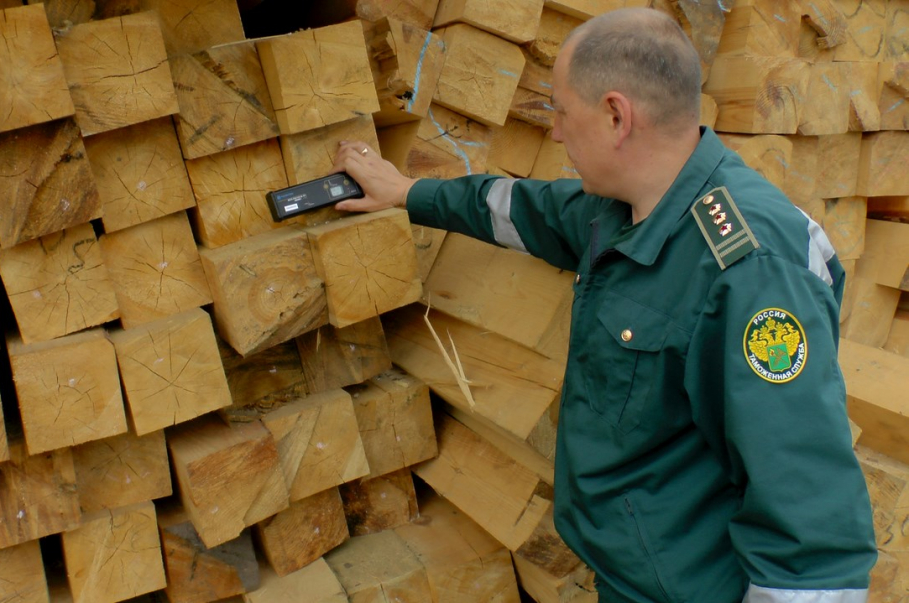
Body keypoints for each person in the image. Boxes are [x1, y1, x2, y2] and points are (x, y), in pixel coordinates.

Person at [328, 7, 877, 603]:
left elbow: (807, 514)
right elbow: (520, 210)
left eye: (562, 112)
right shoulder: (626, 206)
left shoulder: (750, 273)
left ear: (616, 116)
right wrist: (408, 192)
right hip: (633, 571)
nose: (556, 134)